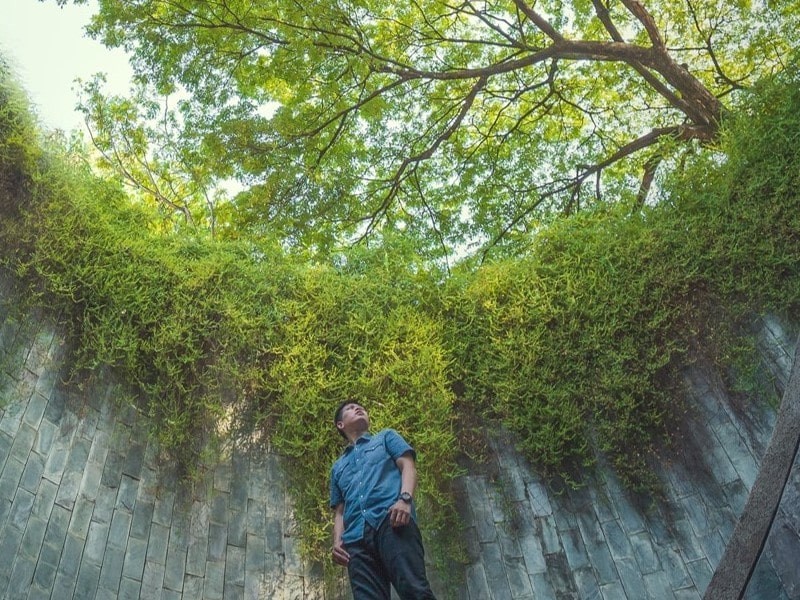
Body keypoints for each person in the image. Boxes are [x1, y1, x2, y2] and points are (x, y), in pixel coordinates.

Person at [329, 400, 438, 600]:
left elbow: (408, 466)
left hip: (392, 521)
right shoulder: (337, 468)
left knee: (415, 590)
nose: (358, 408)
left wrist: (405, 499)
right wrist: (337, 541)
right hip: (355, 541)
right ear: (340, 425)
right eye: (350, 409)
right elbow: (340, 510)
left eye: (361, 407)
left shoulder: (386, 437)